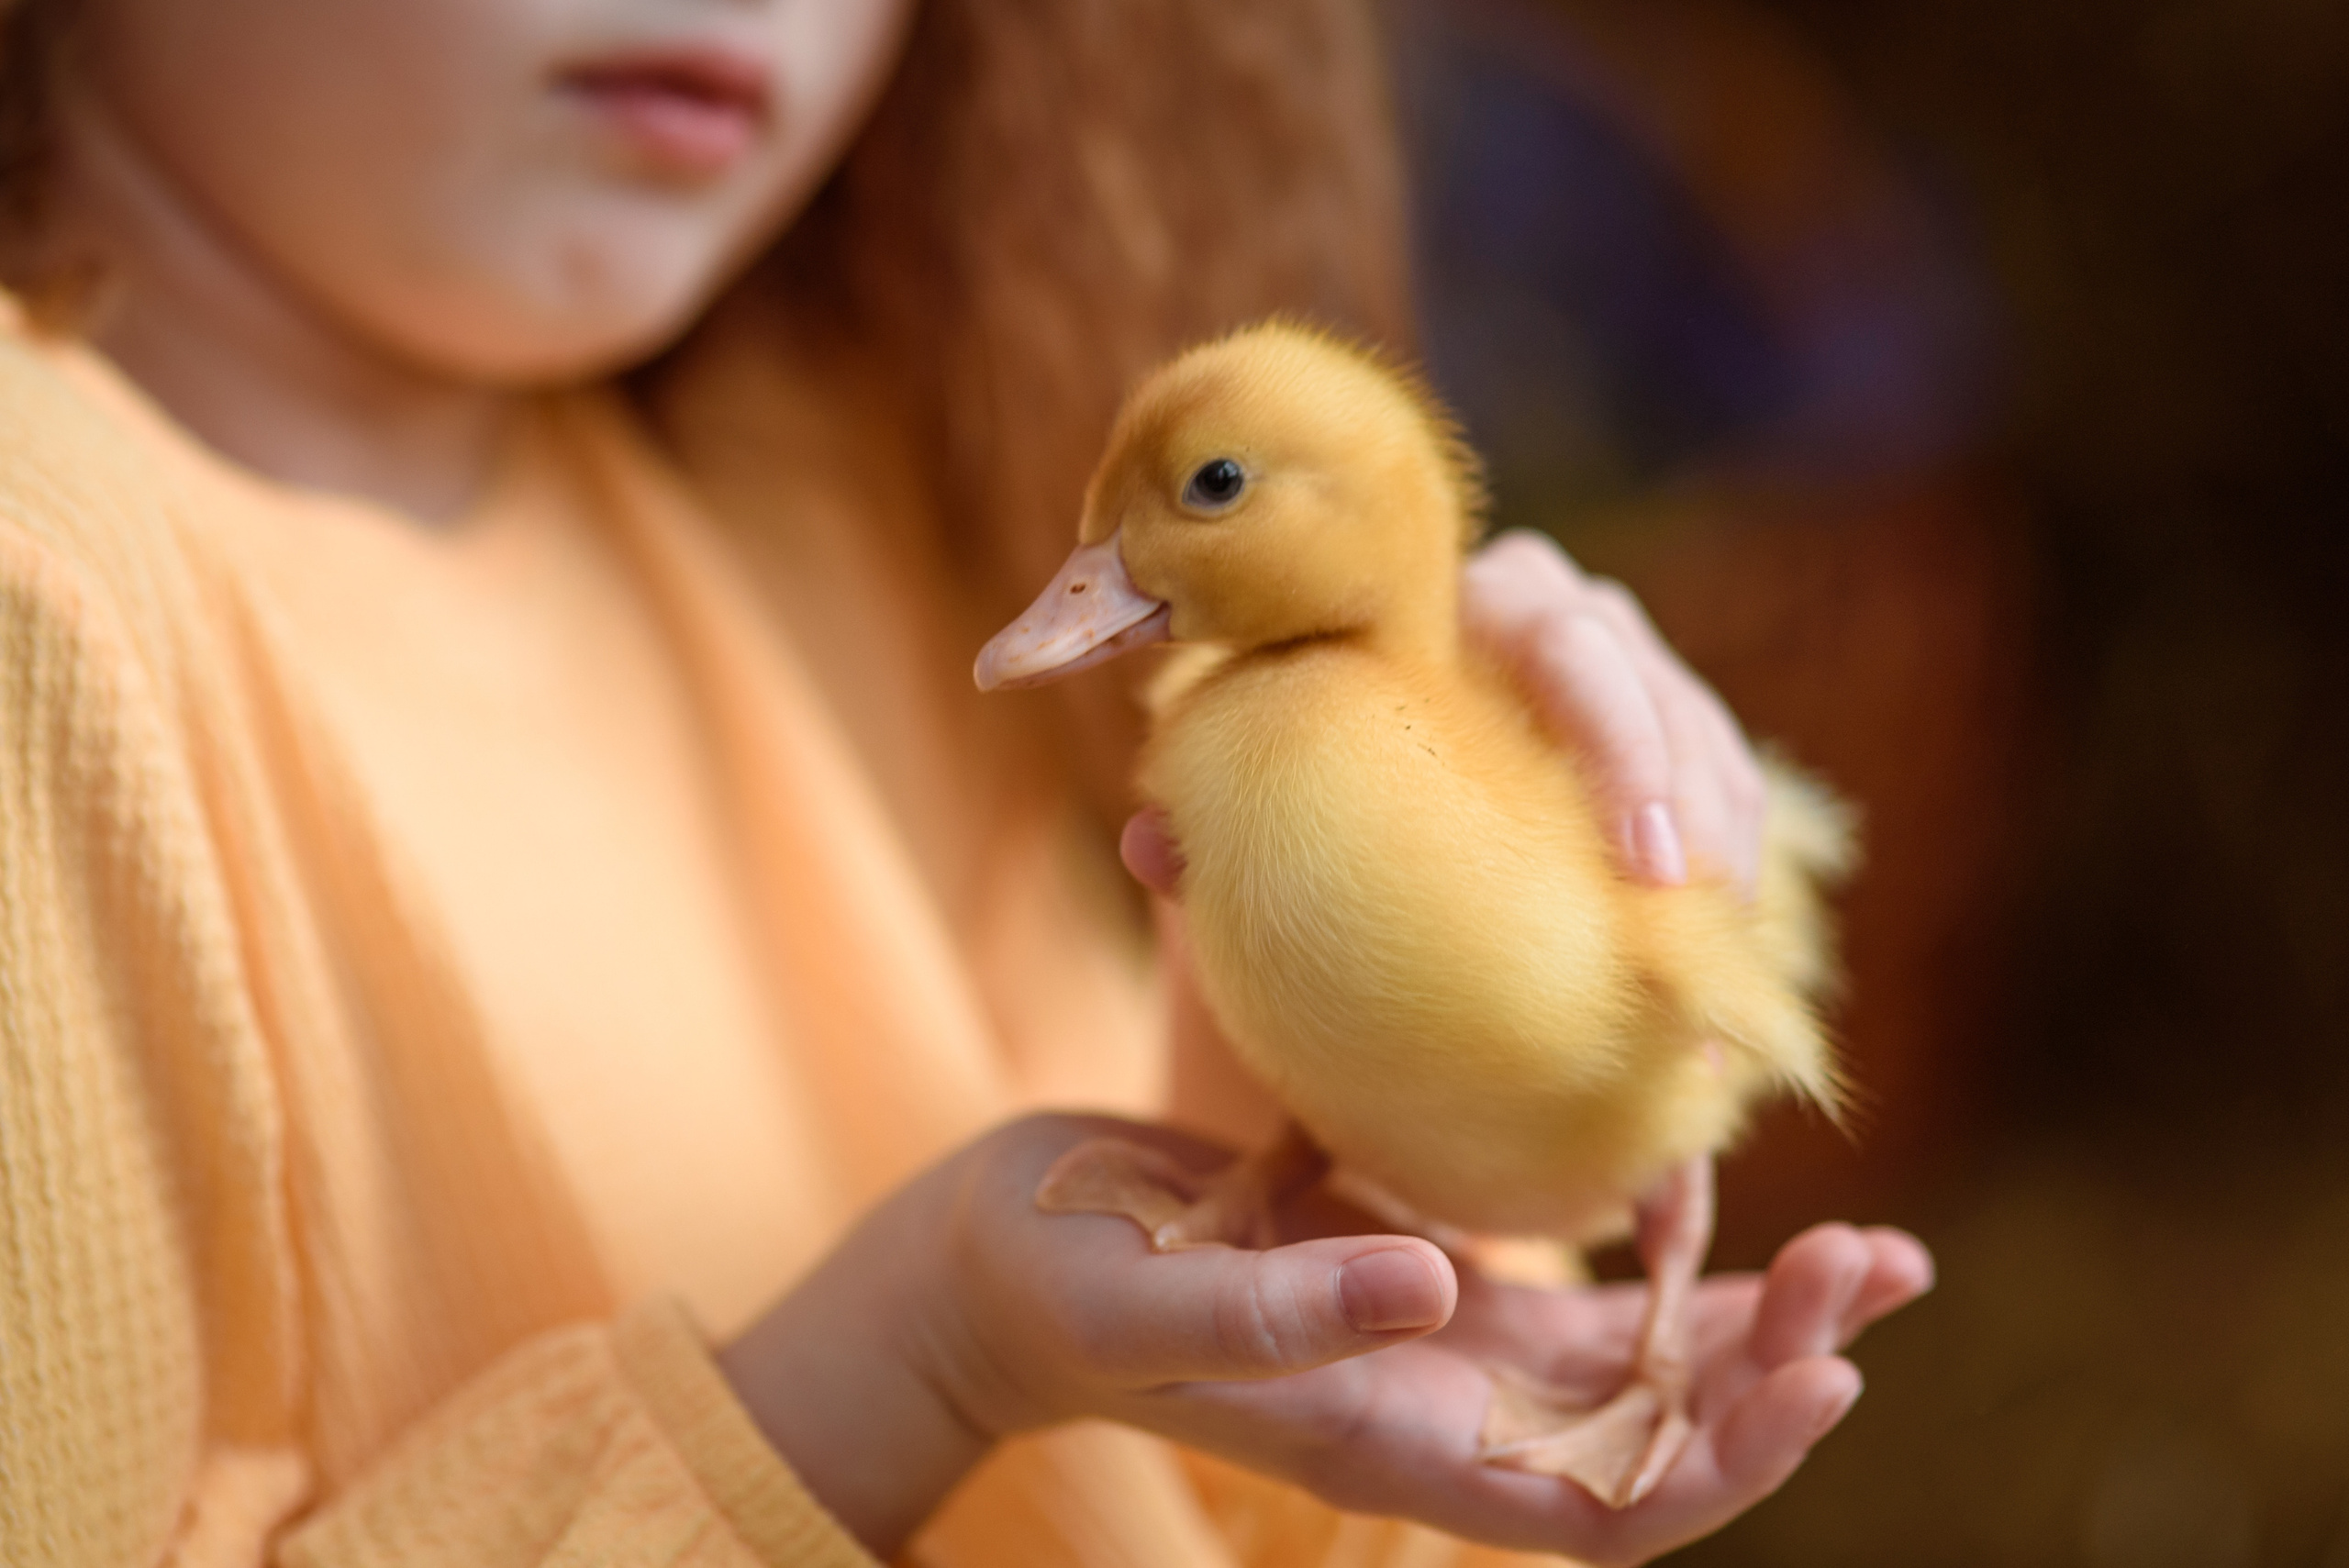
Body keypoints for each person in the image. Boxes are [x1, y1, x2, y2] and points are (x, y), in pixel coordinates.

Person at [0, 0, 1932, 1563]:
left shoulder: (824, 510)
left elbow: (1210, 1490)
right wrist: (901, 1366)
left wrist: (1316, 1157)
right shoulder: (43, 600)